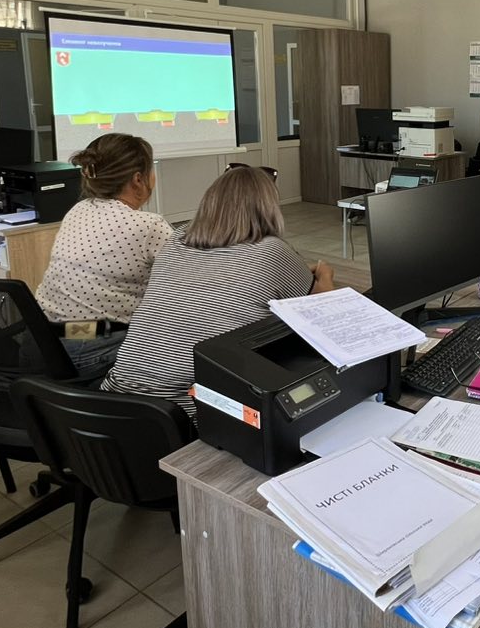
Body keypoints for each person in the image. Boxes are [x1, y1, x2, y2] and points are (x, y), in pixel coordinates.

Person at [101, 166, 334, 416]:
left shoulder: (176, 239)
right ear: (269, 208)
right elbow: (326, 308)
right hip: (180, 412)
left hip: (112, 399)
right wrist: (325, 273)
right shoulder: (272, 252)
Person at [35, 133, 173, 376]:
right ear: (138, 179)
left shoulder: (78, 210)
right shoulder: (149, 225)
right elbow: (191, 280)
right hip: (91, 348)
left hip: (44, 339)